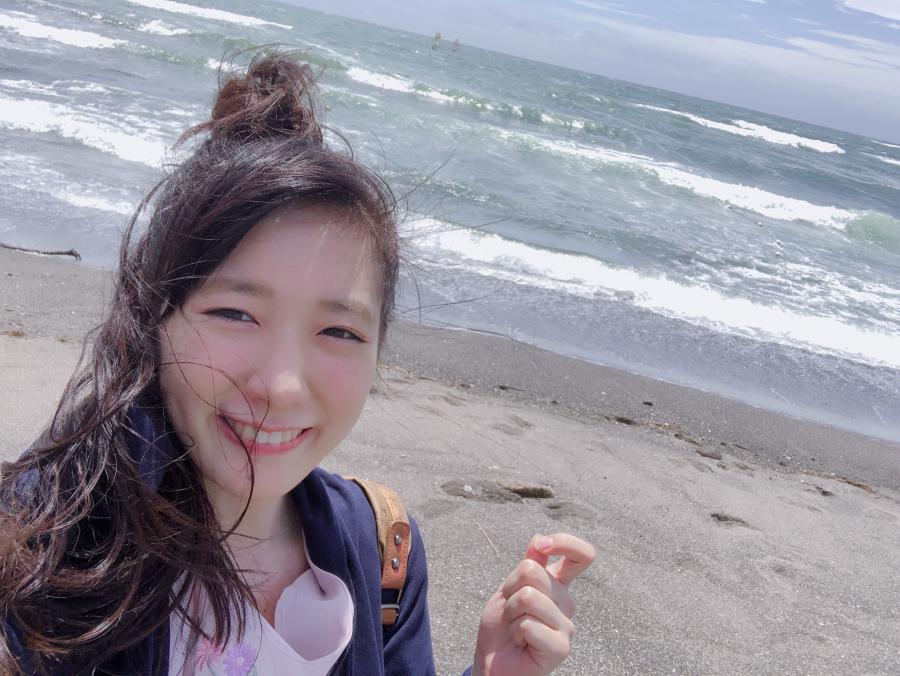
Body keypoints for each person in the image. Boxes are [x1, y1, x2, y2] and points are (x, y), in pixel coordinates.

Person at [0, 53, 595, 675]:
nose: (282, 387)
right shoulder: (43, 545)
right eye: (235, 314)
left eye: (338, 330)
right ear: (153, 317)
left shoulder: (384, 553)